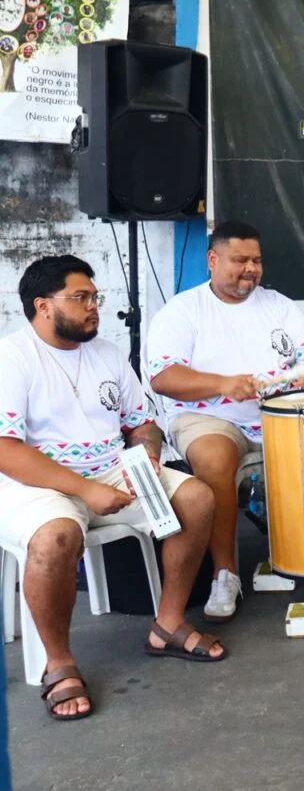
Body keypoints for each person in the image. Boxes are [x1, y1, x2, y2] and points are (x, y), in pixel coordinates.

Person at [0, 257, 226, 722]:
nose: (93, 308)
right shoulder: (12, 357)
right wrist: (85, 489)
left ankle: (167, 624)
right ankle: (58, 663)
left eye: (94, 298)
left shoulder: (106, 352)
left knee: (196, 496)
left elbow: (141, 422)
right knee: (56, 536)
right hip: (38, 481)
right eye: (80, 298)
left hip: (110, 470)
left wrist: (145, 453)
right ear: (42, 306)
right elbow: (6, 450)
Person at [147, 222, 304, 623]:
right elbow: (164, 378)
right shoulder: (183, 310)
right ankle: (225, 573)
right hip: (208, 415)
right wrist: (223, 384)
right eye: (240, 260)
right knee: (215, 460)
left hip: (276, 413)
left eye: (256, 260)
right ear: (213, 260)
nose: (251, 268)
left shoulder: (278, 305)